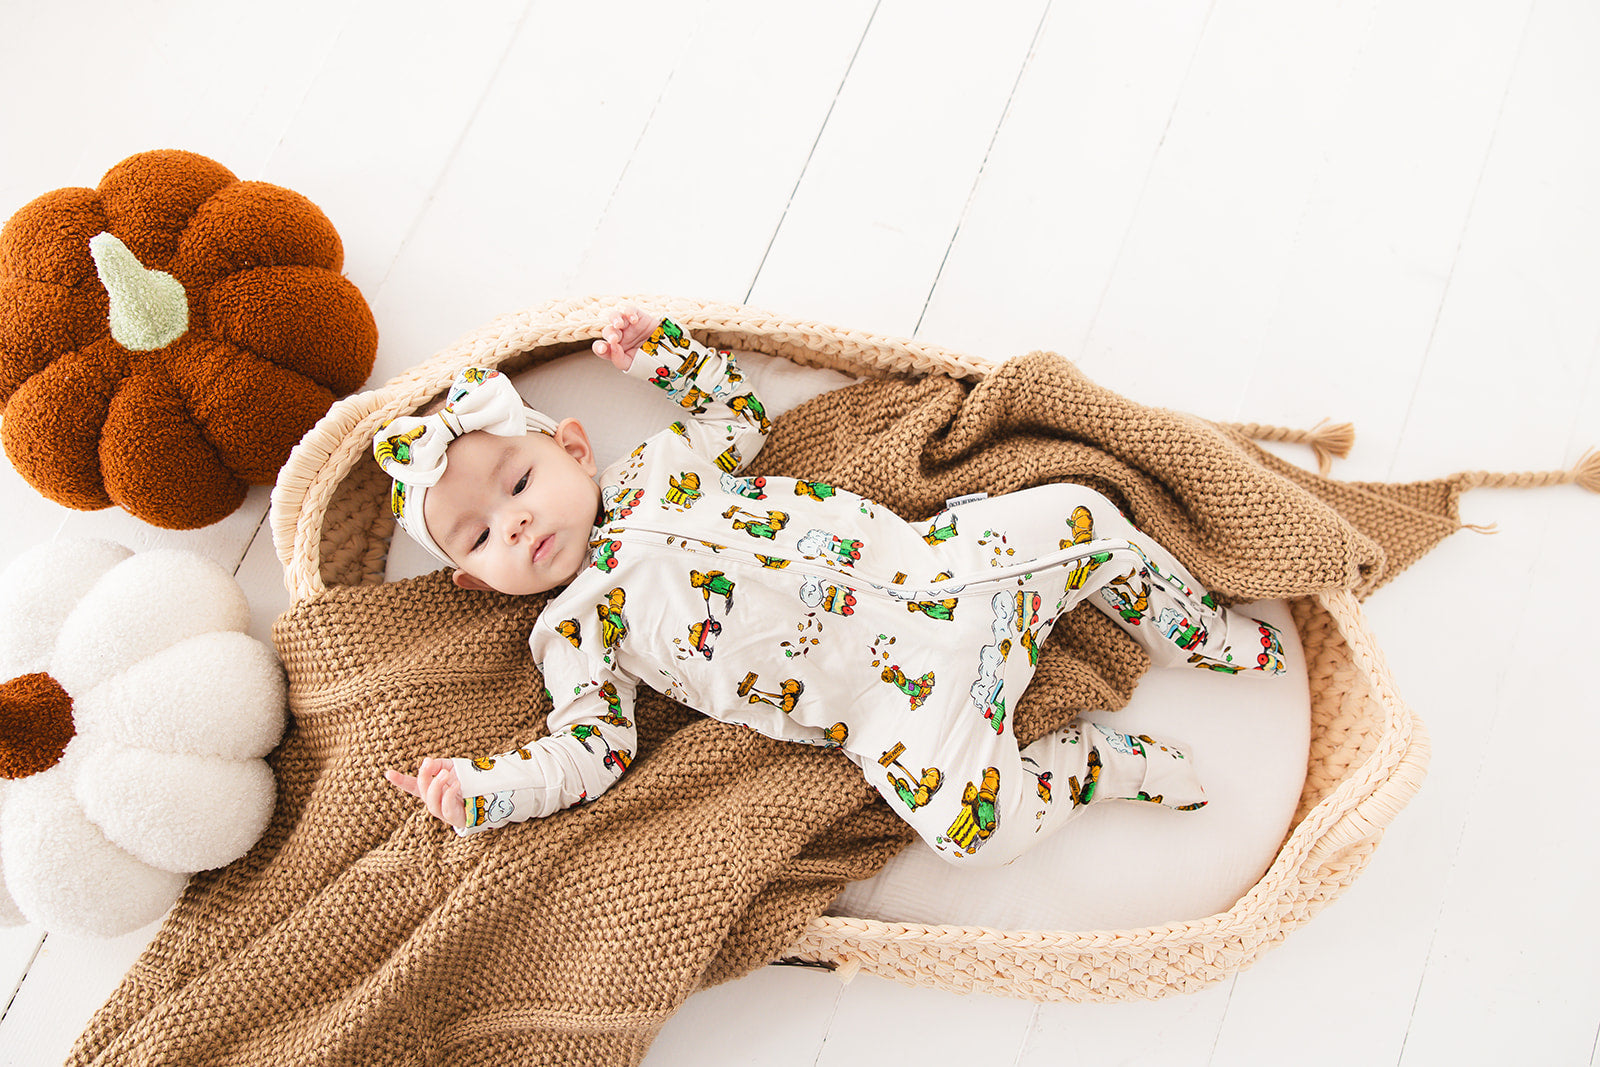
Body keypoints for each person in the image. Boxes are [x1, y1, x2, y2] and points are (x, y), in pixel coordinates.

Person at [380, 306, 1285, 868]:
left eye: (519, 483)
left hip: (946, 570)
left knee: (1084, 514)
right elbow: (589, 751)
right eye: (484, 534)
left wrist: (665, 356)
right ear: (474, 579)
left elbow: (737, 413)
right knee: (975, 837)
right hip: (893, 708)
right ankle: (1094, 765)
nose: (517, 522)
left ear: (573, 448)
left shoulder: (663, 467)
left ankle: (1194, 625)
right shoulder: (574, 634)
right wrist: (486, 788)